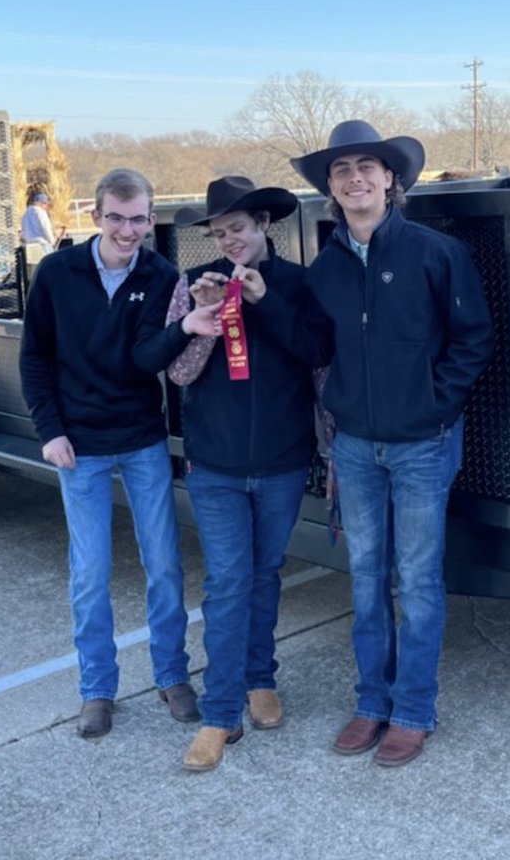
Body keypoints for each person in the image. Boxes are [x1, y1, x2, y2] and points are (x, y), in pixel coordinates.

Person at [290, 120, 494, 768]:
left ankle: (412, 711)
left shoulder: (435, 254)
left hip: (421, 447)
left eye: (366, 168)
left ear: (391, 180)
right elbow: (317, 350)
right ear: (331, 187)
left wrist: (436, 404)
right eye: (342, 170)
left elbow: (474, 338)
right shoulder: (325, 267)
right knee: (366, 580)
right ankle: (371, 702)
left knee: (419, 582)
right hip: (354, 447)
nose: (355, 179)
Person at [139, 176, 328, 772]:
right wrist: (202, 315)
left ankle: (259, 678)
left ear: (263, 226)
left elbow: (315, 351)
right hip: (216, 464)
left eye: (239, 228)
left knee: (265, 573)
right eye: (220, 233)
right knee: (226, 584)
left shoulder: (298, 282)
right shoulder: (195, 286)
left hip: (280, 460)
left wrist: (263, 301)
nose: (231, 240)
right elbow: (181, 373)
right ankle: (221, 714)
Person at [19, 167, 197, 739]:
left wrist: (186, 327)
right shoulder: (57, 273)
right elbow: (35, 358)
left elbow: (147, 359)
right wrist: (50, 430)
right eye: (116, 218)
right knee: (90, 573)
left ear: (151, 219)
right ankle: (97, 689)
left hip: (142, 440)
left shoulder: (161, 274)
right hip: (80, 447)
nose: (127, 230)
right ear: (95, 216)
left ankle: (172, 675)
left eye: (138, 219)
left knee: (164, 567)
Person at [21, 190, 58, 255]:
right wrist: (52, 241)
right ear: (42, 203)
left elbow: (23, 232)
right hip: (42, 245)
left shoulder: (25, 214)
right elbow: (46, 228)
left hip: (30, 246)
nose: (46, 206)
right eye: (46, 203)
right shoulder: (41, 213)